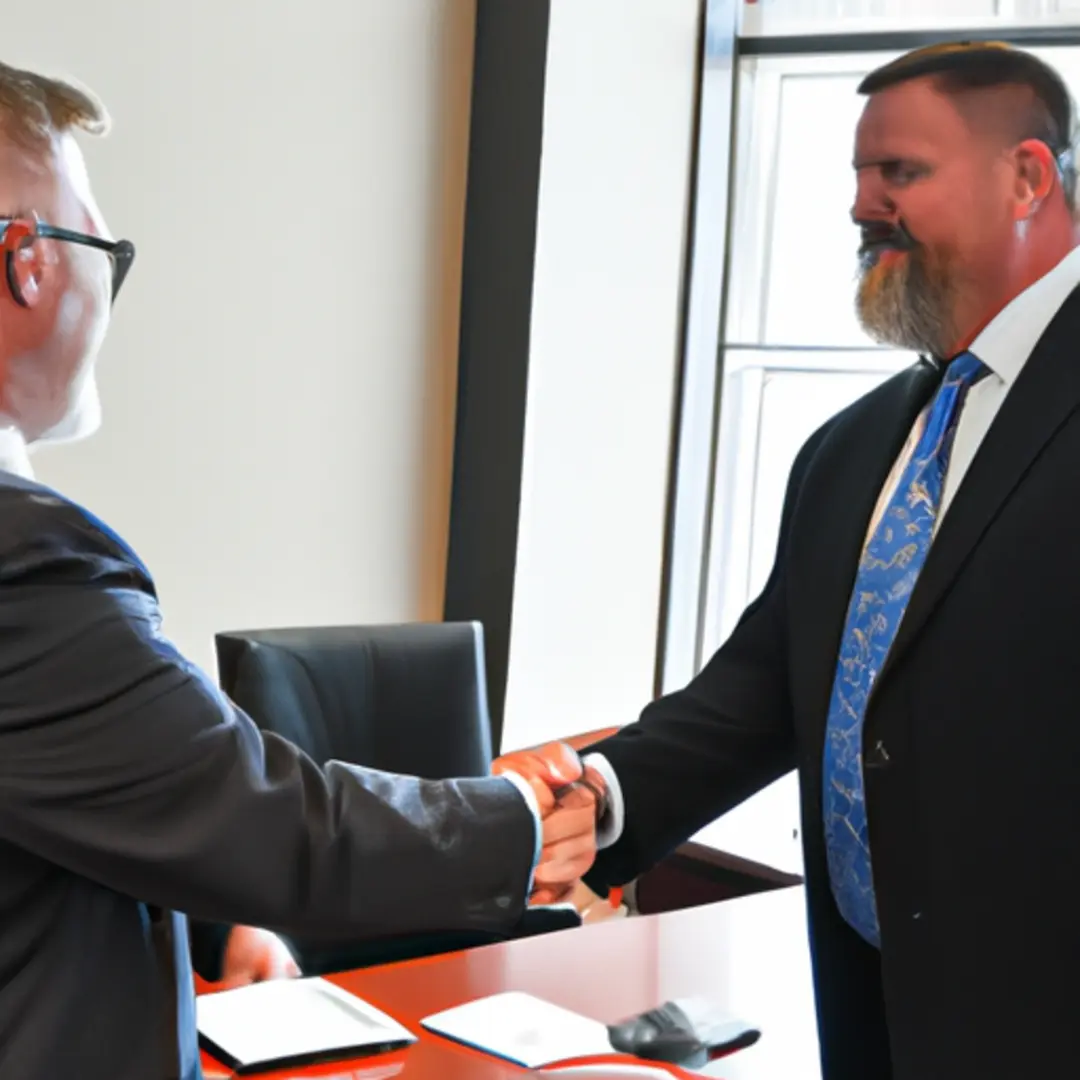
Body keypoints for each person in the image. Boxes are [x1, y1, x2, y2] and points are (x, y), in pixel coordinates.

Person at [495, 41, 1080, 1080]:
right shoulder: (853, 450)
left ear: (1028, 177)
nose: (862, 205)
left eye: (899, 173)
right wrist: (602, 797)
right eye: (856, 175)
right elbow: (765, 691)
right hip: (869, 1011)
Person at [0, 61, 596, 1080]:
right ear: (28, 260)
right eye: (105, 243)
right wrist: (523, 821)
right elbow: (282, 831)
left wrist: (204, 919)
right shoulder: (27, 569)